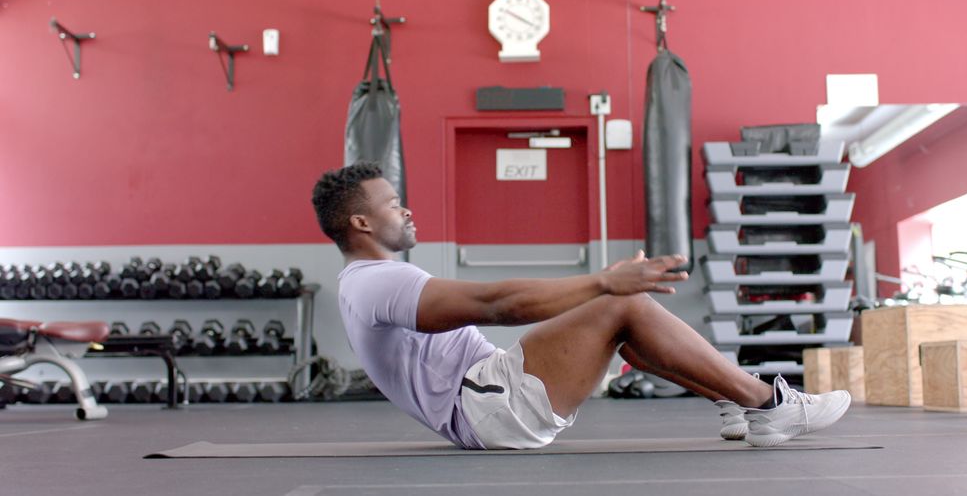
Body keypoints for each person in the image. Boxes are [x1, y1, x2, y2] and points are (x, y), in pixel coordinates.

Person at [311, 162, 851, 450]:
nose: (405, 211)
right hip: (486, 407)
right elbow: (495, 303)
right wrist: (604, 283)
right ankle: (771, 403)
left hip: (486, 399)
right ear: (361, 223)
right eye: (391, 204)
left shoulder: (370, 281)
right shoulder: (375, 282)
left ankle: (741, 407)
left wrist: (605, 288)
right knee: (625, 307)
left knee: (625, 316)